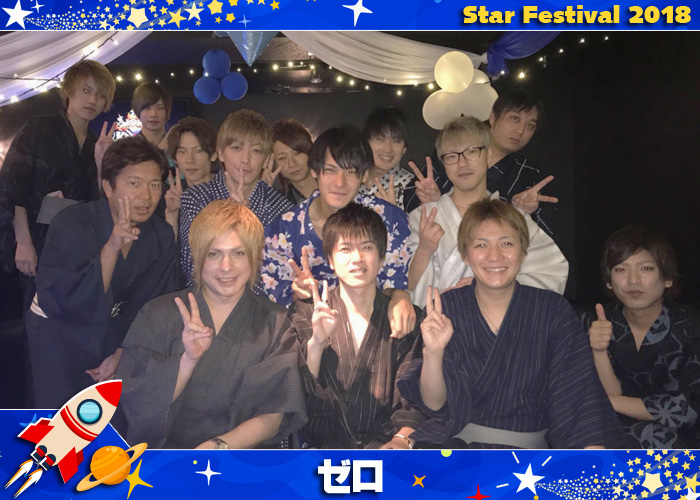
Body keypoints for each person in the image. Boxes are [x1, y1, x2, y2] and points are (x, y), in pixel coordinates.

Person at [399, 199, 620, 449]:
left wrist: (591, 458)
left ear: (523, 252)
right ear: (465, 255)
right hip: (454, 450)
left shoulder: (552, 311)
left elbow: (578, 396)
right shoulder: (446, 308)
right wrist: (434, 352)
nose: (495, 256)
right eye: (481, 245)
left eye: (506, 243)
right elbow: (433, 403)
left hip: (527, 456)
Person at [117, 200, 306, 449]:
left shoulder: (276, 322)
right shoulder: (158, 313)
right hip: (166, 459)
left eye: (238, 253)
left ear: (255, 257)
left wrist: (218, 446)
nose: (226, 267)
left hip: (240, 459)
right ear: (197, 258)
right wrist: (187, 361)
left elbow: (274, 413)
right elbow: (136, 403)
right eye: (214, 254)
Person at [26, 137, 177, 409]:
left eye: (154, 184)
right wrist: (112, 246)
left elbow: (151, 303)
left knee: (111, 417)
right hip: (59, 332)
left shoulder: (161, 234)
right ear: (108, 186)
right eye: (134, 183)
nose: (146, 196)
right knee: (60, 417)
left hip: (115, 334)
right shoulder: (71, 224)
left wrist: (122, 350)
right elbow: (67, 299)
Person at [261, 125, 416, 338]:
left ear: (364, 175)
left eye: (350, 172)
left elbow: (396, 278)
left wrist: (399, 295)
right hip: (310, 336)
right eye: (330, 170)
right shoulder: (283, 230)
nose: (340, 183)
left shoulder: (387, 218)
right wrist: (299, 295)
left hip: (375, 330)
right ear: (314, 171)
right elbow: (276, 303)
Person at [291, 203, 425, 448]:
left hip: (388, 452)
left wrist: (401, 440)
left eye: (367, 247)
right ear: (330, 260)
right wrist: (317, 343)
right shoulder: (306, 312)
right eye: (345, 249)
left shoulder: (406, 317)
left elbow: (415, 400)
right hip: (322, 454)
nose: (357, 258)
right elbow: (295, 397)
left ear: (381, 257)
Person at [406, 116, 567, 307]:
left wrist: (492, 287)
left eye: (472, 152)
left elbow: (552, 271)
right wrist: (424, 251)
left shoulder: (513, 217)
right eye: (451, 156)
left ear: (489, 156)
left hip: (502, 321)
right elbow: (405, 287)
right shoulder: (423, 217)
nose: (462, 163)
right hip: (441, 319)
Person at [0, 60, 116, 309]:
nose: (93, 100)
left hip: (78, 249)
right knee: (37, 315)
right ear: (69, 90)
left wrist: (100, 163)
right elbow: (13, 186)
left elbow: (97, 203)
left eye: (100, 95)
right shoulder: (39, 127)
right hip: (38, 242)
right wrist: (23, 242)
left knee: (71, 315)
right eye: (86, 90)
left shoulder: (96, 143)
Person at [582, 226, 700, 449]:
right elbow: (600, 397)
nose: (633, 280)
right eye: (620, 269)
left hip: (680, 441)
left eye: (646, 268)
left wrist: (608, 402)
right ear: (609, 281)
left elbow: (688, 409)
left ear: (667, 278)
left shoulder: (691, 326)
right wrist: (599, 351)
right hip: (611, 432)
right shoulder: (594, 322)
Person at [404, 89, 558, 238]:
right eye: (515, 119)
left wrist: (524, 213)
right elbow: (410, 204)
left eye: (530, 125)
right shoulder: (452, 151)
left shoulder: (529, 175)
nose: (520, 131)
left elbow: (544, 236)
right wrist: (427, 200)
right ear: (493, 117)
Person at [179, 109, 293, 285]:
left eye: (256, 151)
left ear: (266, 160)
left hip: (262, 302)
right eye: (236, 148)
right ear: (220, 153)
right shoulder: (196, 198)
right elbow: (193, 269)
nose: (245, 159)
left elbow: (280, 275)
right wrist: (227, 218)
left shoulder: (281, 208)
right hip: (205, 300)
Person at [161, 117, 219, 235]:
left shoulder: (229, 190)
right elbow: (169, 246)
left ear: (213, 154)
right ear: (175, 158)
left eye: (198, 151)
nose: (189, 160)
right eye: (182, 152)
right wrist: (172, 213)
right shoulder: (169, 197)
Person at [359, 107, 414, 210]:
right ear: (366, 142)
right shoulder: (352, 178)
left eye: (396, 141)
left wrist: (393, 213)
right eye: (380, 139)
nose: (387, 149)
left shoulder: (412, 188)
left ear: (404, 148)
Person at [266, 117, 317, 205]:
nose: (292, 164)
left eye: (297, 153)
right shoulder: (279, 204)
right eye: (282, 158)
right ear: (274, 164)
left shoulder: (336, 185)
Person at [131, 82, 172, 149]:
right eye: (147, 108)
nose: (153, 114)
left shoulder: (176, 149)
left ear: (167, 111)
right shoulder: (127, 149)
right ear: (138, 110)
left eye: (160, 108)